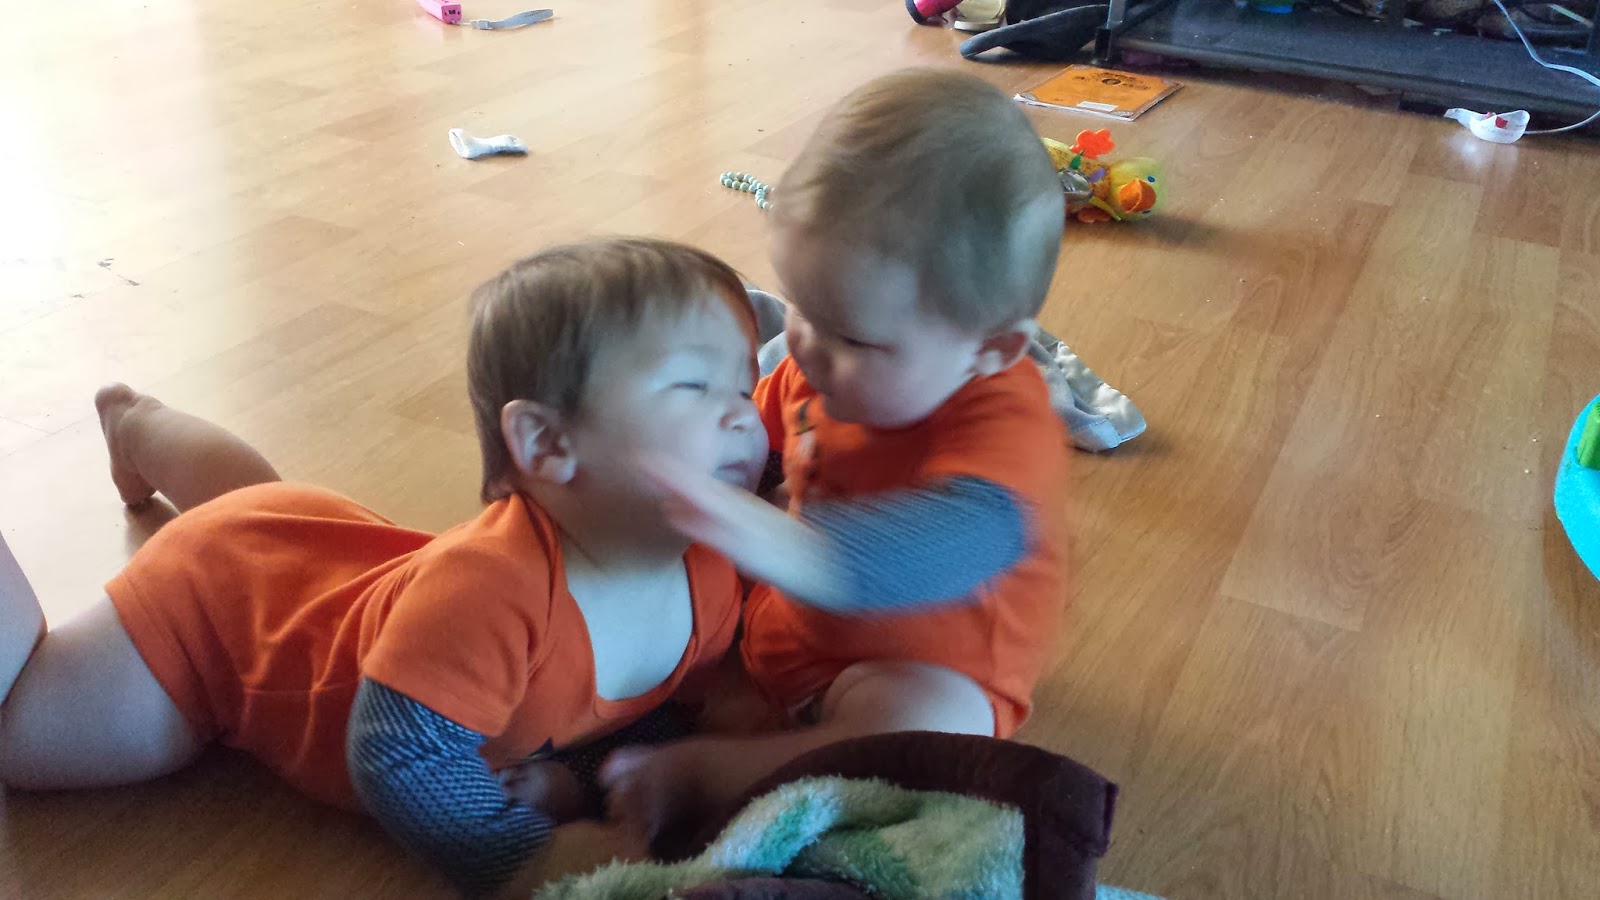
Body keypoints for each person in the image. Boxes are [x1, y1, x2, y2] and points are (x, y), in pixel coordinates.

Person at [0, 238, 768, 897]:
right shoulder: (492, 592)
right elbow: (401, 755)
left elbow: (653, 707)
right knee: (23, 737)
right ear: (546, 445)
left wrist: (584, 773)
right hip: (218, 621)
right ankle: (141, 436)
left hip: (311, 549)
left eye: (743, 384)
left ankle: (137, 426)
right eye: (693, 387)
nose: (743, 414)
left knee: (258, 511)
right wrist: (518, 855)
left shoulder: (708, 572)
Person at [602, 69, 1073, 838]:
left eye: (852, 335)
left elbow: (953, 539)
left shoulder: (1005, 422)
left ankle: (706, 772)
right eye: (800, 306)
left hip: (914, 667)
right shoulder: (818, 363)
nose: (807, 348)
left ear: (989, 349)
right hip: (784, 626)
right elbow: (751, 449)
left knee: (931, 733)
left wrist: (775, 539)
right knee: (643, 609)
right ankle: (640, 736)